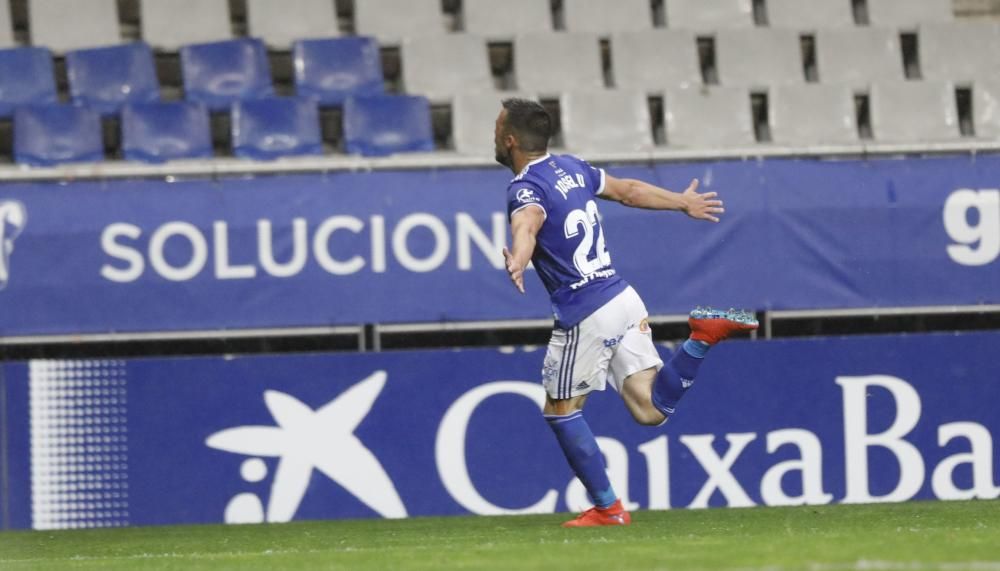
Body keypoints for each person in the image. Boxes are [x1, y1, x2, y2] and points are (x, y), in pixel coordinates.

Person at [495, 98, 758, 527]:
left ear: (509, 140)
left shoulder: (523, 187)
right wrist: (681, 202)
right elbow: (628, 191)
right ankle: (703, 336)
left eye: (496, 128)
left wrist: (520, 257)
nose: (493, 134)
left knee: (561, 410)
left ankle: (607, 508)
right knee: (650, 408)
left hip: (585, 311)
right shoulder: (572, 167)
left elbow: (527, 221)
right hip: (622, 296)